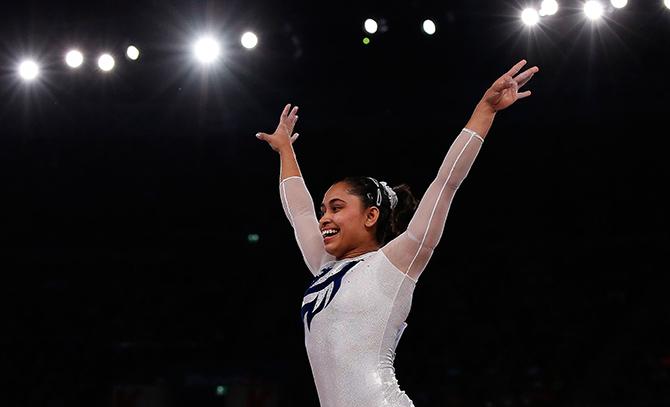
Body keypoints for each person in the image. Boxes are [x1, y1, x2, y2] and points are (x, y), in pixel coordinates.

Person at [255, 59, 539, 407]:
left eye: (337, 207)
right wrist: (285, 149)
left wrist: (485, 111)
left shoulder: (394, 264)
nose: (324, 218)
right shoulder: (324, 266)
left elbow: (446, 183)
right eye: (324, 209)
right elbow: (298, 209)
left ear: (371, 215)